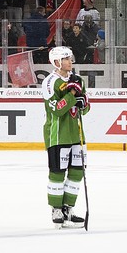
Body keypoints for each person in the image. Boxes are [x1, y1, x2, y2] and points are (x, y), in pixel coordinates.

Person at [41, 46, 88, 229]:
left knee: (77, 173)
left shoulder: (78, 80)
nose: (70, 61)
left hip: (77, 135)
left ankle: (68, 209)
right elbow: (58, 109)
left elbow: (85, 109)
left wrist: (83, 102)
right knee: (57, 174)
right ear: (57, 62)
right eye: (66, 59)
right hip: (57, 136)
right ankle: (56, 210)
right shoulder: (49, 82)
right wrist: (73, 94)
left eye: (70, 58)